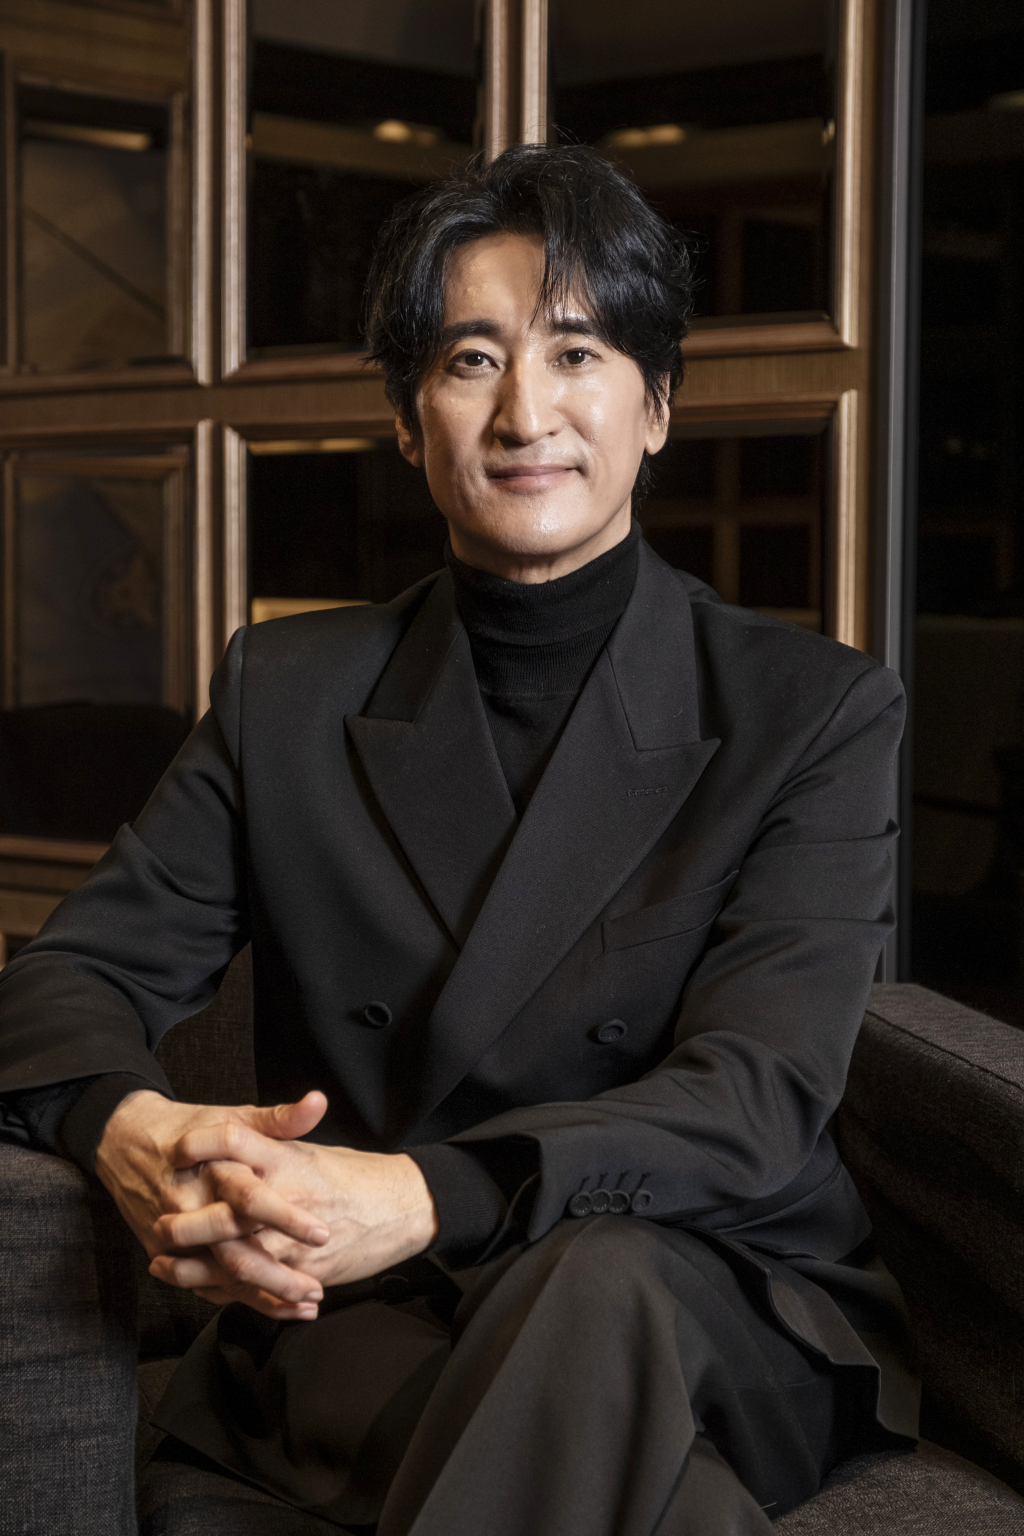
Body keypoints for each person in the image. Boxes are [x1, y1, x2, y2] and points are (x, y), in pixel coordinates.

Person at [0, 144, 916, 1535]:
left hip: (712, 1286)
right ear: (406, 417)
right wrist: (133, 1126)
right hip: (368, 1307)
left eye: (578, 353)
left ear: (658, 407)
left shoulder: (811, 711)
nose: (525, 413)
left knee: (599, 1286)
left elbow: (752, 1097)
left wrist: (420, 1191)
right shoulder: (289, 694)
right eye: (472, 360)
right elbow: (70, 979)